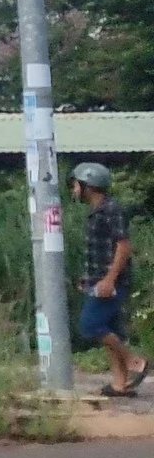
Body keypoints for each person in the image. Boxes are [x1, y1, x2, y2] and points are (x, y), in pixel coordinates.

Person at [73, 162, 143, 397]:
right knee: (111, 330)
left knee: (89, 325)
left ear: (89, 186)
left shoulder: (112, 210)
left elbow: (124, 246)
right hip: (98, 280)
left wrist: (109, 279)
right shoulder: (96, 212)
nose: (74, 188)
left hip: (112, 282)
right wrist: (88, 279)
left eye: (77, 184)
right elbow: (98, 251)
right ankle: (119, 384)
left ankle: (135, 361)